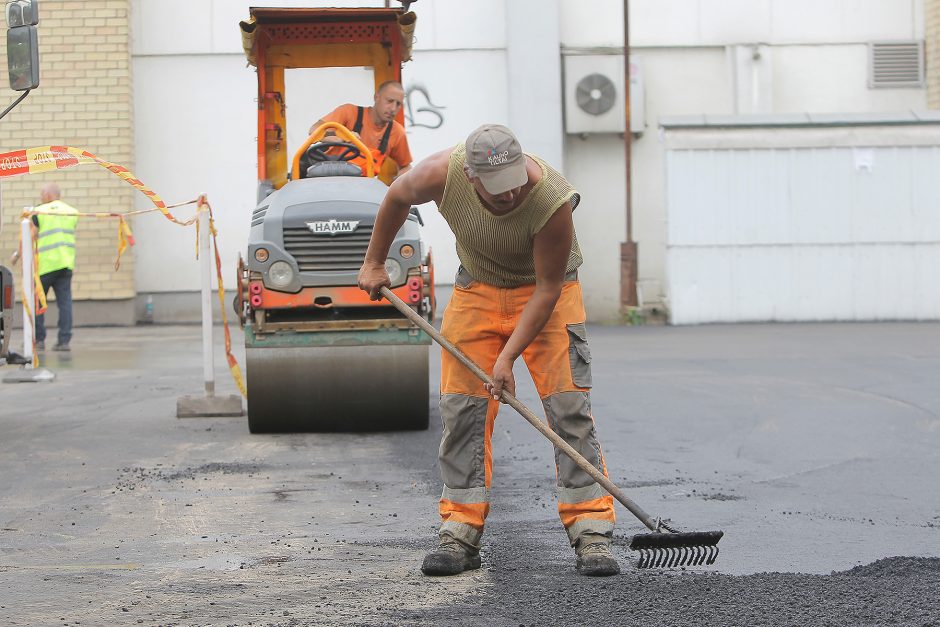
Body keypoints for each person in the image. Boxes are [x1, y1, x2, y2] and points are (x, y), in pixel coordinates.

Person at [357, 124, 619, 577]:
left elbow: (547, 289)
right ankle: (459, 530)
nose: (510, 195)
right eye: (497, 189)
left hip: (546, 297)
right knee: (463, 411)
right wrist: (374, 261)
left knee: (569, 408)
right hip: (476, 291)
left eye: (515, 183)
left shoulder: (552, 199)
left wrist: (506, 358)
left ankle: (591, 530)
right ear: (471, 176)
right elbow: (397, 195)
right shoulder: (441, 172)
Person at [10, 183, 79, 352]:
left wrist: (18, 255)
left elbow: (30, 234)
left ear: (48, 195)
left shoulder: (41, 211)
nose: (40, 197)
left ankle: (38, 339)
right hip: (66, 263)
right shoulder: (71, 211)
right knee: (65, 303)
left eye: (42, 194)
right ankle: (64, 341)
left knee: (37, 301)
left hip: (47, 265)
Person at [308, 80, 413, 180]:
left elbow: (406, 167)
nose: (393, 109)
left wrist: (398, 182)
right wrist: (343, 137)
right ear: (376, 97)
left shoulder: (397, 132)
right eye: (389, 101)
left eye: (398, 104)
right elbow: (314, 130)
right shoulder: (348, 112)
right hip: (327, 179)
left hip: (362, 189)